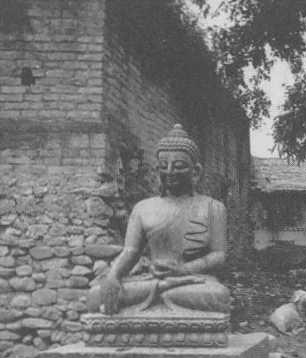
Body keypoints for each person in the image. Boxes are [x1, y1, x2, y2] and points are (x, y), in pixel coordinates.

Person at [87, 124, 231, 315]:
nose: (170, 172)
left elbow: (218, 255)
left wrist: (183, 270)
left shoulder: (213, 207)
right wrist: (113, 276)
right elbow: (130, 251)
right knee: (96, 296)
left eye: (178, 166)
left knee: (219, 295)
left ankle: (162, 295)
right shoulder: (143, 208)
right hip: (153, 280)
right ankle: (163, 292)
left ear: (195, 172)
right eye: (163, 166)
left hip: (191, 281)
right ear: (157, 170)